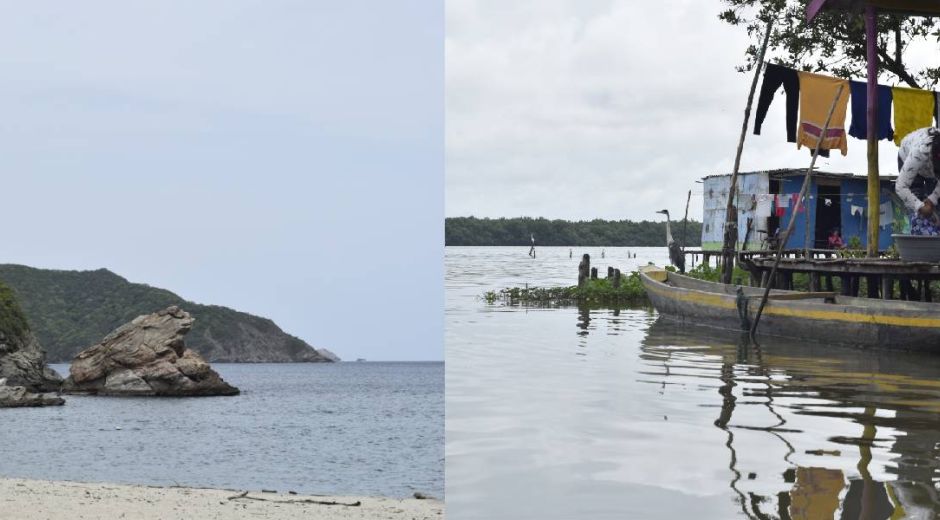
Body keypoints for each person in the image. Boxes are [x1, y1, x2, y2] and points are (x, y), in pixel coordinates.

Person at [896, 127, 940, 235]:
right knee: (919, 211)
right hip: (907, 156)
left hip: (931, 166)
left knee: (936, 206)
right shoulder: (919, 153)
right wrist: (920, 206)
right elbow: (900, 187)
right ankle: (919, 243)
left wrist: (932, 199)